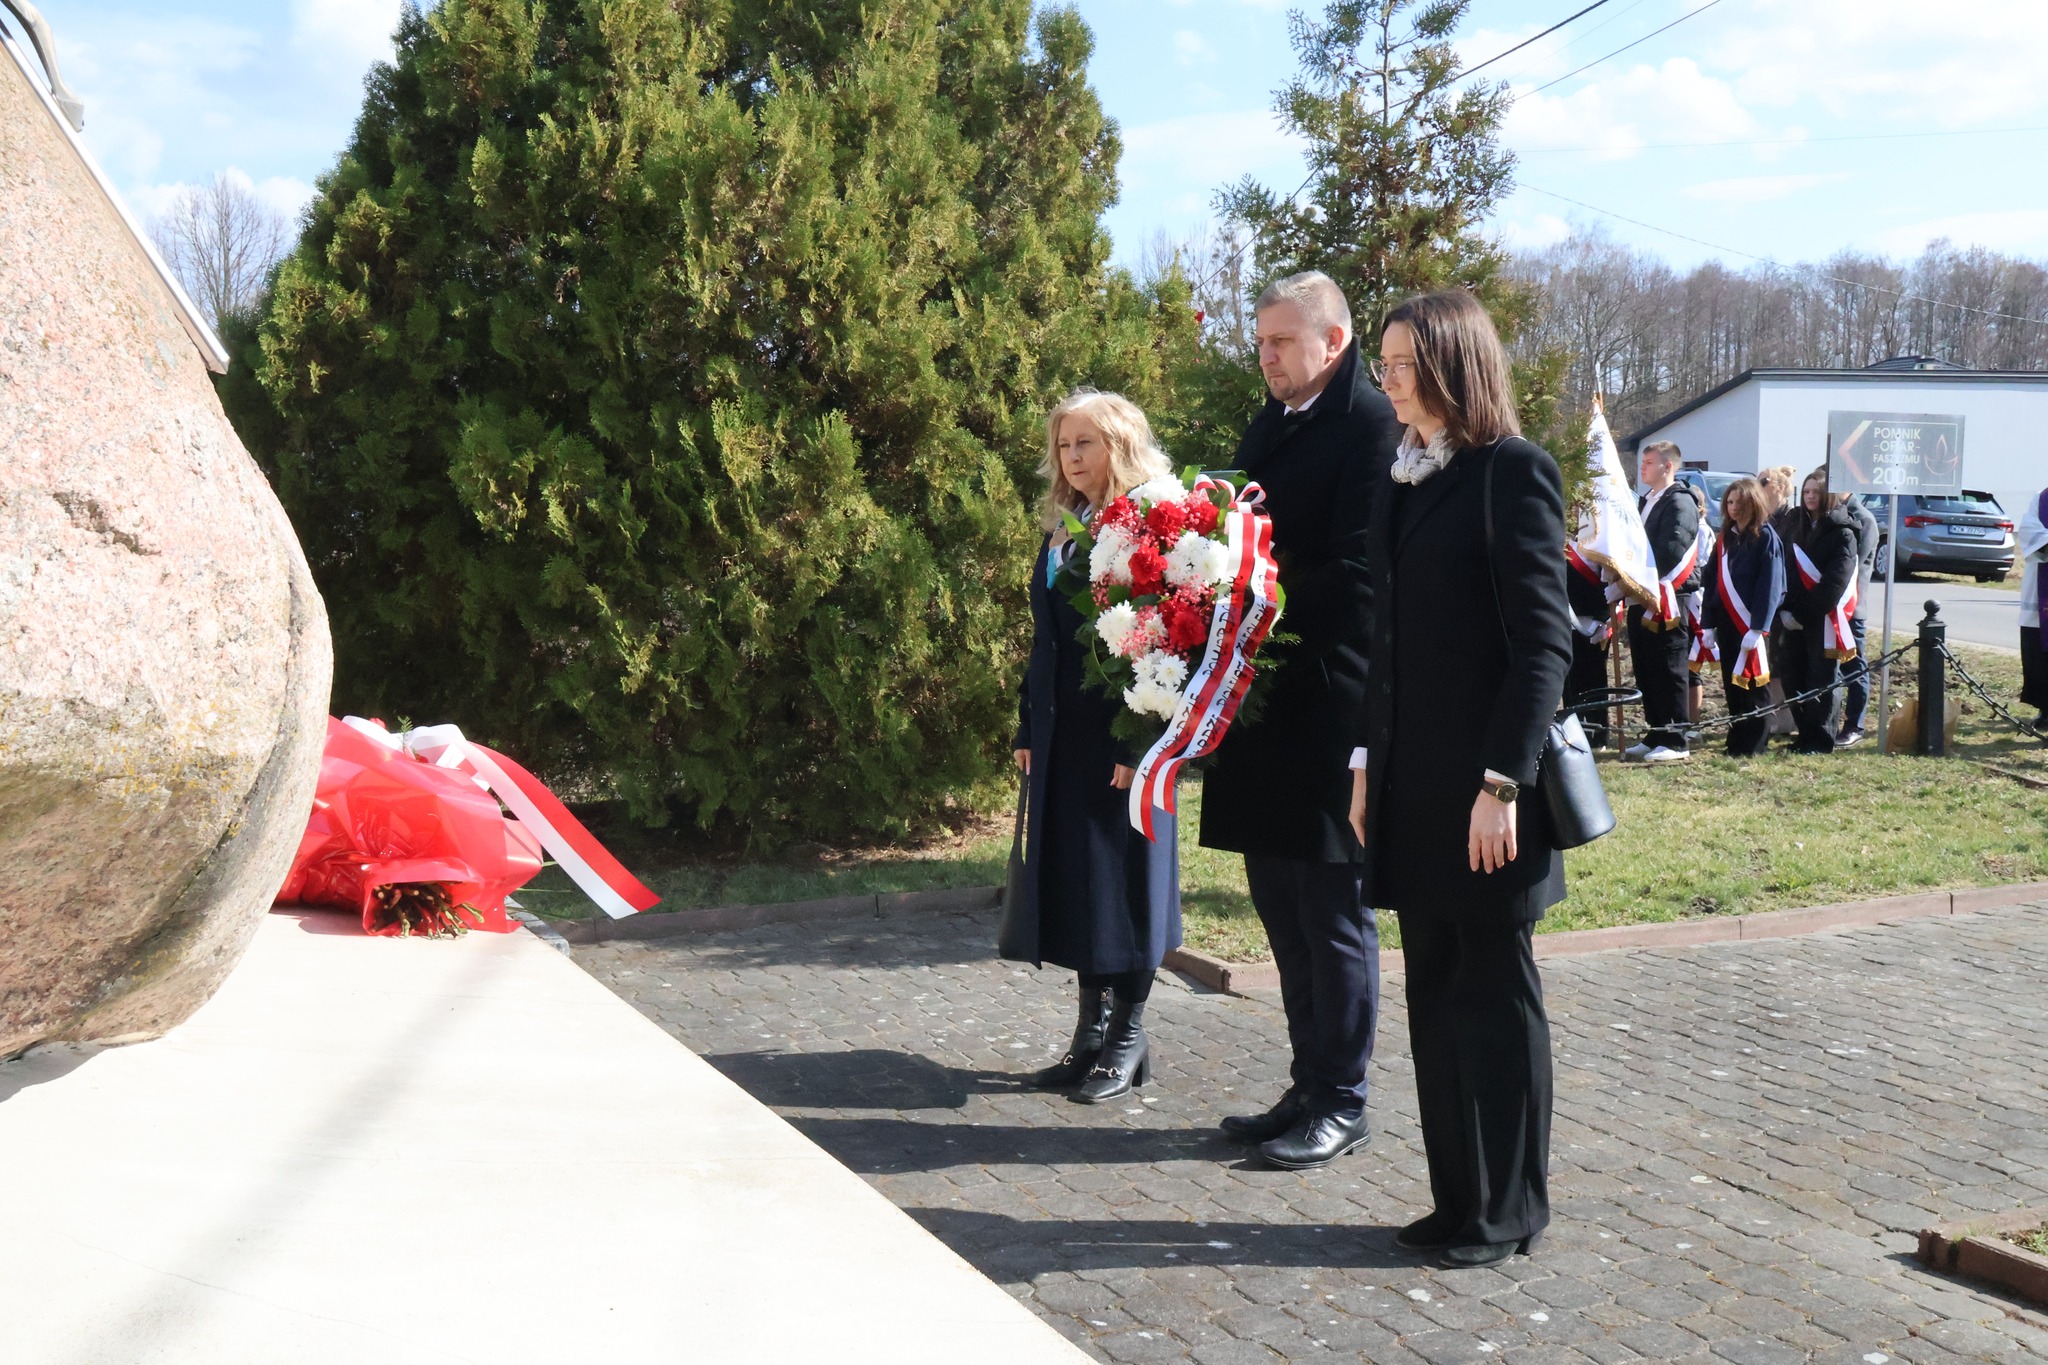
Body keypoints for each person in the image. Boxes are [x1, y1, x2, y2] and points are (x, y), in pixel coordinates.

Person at [1348, 289, 1572, 1270]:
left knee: (1490, 996)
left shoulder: (1508, 474)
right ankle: (1456, 1199)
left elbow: (1541, 646)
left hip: (1487, 794)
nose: (1386, 381)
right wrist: (1362, 763)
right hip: (1410, 788)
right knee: (1434, 996)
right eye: (1383, 365)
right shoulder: (1400, 478)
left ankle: (1507, 1207)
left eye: (1400, 364)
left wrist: (1502, 784)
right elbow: (1379, 646)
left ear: (1449, 367)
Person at [1200, 271, 1402, 1171]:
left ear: (1335, 340)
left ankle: (1343, 1096)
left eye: (1282, 342)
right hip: (1264, 703)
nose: (1267, 357)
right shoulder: (1268, 422)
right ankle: (1307, 1078)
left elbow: (1361, 575)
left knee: (1328, 910)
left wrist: (1253, 593)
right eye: (1262, 341)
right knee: (1277, 902)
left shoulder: (1368, 426)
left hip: (1329, 704)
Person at [1011, 390, 1182, 1104]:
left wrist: (1140, 741)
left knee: (1126, 884)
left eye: (1086, 443)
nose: (1072, 457)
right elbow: (1045, 640)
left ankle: (1130, 1033)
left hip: (1123, 737)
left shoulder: (1150, 523)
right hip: (1063, 736)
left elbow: (1169, 639)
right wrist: (1028, 726)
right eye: (1063, 445)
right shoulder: (1065, 528)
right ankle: (1090, 1035)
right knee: (1083, 884)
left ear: (1121, 443)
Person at [1624, 441, 1704, 763]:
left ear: (1667, 466)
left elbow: (1672, 548)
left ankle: (1675, 738)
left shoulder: (1679, 502)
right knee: (1647, 667)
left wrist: (1634, 576)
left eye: (1648, 462)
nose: (1642, 468)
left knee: (1669, 667)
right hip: (1644, 595)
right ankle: (1656, 731)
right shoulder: (1648, 500)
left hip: (1668, 598)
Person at [1777, 468, 1860, 755]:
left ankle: (1821, 740)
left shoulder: (1843, 531)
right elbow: (1782, 564)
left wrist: (1803, 615)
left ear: (1828, 495)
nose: (1810, 497)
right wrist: (1785, 609)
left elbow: (1835, 581)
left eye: (1816, 492)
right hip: (1790, 616)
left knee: (1822, 680)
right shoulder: (1792, 522)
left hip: (1822, 618)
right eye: (1807, 491)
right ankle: (1804, 733)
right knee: (1792, 676)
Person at [1702, 479, 1785, 757]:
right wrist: (1708, 622)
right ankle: (1736, 741)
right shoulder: (1725, 537)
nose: (1733, 507)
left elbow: (1770, 585)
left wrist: (1758, 626)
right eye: (1729, 502)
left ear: (1753, 503)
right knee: (1732, 683)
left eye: (1739, 502)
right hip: (1727, 623)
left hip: (1751, 624)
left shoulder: (1765, 536)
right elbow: (1712, 580)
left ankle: (1755, 744)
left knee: (1755, 685)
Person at [1835, 493, 1880, 747]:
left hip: (1851, 608)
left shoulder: (1864, 519)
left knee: (1855, 667)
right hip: (1830, 607)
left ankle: (1855, 725)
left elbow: (1851, 564)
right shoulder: (1832, 515)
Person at [2021, 485, 2047, 728]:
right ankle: (2045, 708)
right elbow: (2029, 531)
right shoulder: (2041, 499)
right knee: (2039, 654)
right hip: (2040, 591)